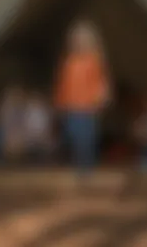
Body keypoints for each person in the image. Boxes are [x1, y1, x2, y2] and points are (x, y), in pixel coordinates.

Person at [53, 21, 110, 189]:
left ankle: (87, 170)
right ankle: (80, 167)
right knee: (73, 136)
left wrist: (100, 98)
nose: (79, 42)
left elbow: (100, 83)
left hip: (88, 106)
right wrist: (60, 102)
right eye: (76, 39)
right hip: (71, 106)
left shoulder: (94, 60)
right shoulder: (69, 62)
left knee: (87, 138)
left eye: (83, 39)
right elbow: (63, 84)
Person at [0, 86, 26, 164]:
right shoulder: (7, 107)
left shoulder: (20, 108)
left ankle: (15, 160)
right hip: (11, 132)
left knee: (16, 145)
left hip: (16, 132)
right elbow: (3, 120)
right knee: (12, 145)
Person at [24, 92, 53, 166]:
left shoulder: (44, 112)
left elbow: (47, 128)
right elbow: (26, 127)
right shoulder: (28, 112)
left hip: (41, 136)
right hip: (30, 137)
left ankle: (42, 163)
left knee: (46, 144)